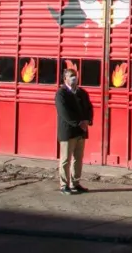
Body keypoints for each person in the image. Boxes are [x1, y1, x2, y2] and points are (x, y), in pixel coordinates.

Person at [55, 67, 93, 195]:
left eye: (75, 75)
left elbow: (89, 107)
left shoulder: (82, 93)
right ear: (65, 78)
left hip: (81, 131)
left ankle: (75, 183)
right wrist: (78, 123)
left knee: (78, 158)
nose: (74, 78)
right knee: (66, 159)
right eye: (71, 76)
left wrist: (87, 120)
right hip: (68, 131)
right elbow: (64, 112)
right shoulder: (61, 93)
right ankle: (64, 185)